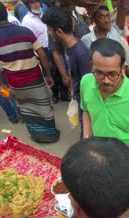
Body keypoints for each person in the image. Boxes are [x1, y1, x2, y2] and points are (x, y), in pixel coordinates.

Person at [0, 0, 60, 143]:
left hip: (15, 82)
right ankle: (51, 134)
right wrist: (48, 74)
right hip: (35, 78)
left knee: (27, 109)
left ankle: (38, 136)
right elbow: (42, 55)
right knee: (43, 106)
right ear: (6, 12)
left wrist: (0, 84)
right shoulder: (25, 32)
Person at [80, 39, 129, 165]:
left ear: (122, 69)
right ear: (92, 66)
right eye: (99, 73)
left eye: (112, 74)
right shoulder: (85, 82)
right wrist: (87, 135)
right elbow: (86, 110)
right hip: (99, 157)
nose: (106, 80)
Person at [42, 7, 90, 138]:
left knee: (86, 129)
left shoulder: (80, 53)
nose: (49, 33)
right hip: (78, 93)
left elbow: (89, 87)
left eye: (50, 30)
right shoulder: (68, 47)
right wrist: (73, 89)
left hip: (85, 101)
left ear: (59, 31)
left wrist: (84, 107)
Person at [80, 5, 129, 80]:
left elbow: (123, 7)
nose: (106, 20)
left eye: (108, 16)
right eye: (102, 17)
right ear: (94, 19)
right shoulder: (86, 39)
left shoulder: (115, 31)